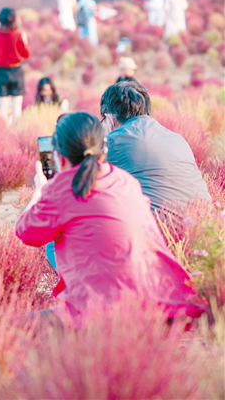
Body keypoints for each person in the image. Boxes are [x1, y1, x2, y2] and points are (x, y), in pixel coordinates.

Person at [15, 112, 201, 324]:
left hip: (100, 315)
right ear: (103, 151)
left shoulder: (62, 187)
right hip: (165, 306)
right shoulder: (125, 180)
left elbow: (25, 231)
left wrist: (40, 190)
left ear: (60, 157)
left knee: (10, 331)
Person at [101, 81, 211, 211]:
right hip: (207, 224)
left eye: (103, 120)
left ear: (109, 118)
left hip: (157, 227)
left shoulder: (113, 141)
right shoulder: (178, 139)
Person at [0, 8, 30, 124]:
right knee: (16, 108)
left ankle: (4, 132)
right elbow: (27, 54)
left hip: (1, 72)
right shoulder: (19, 35)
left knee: (3, 107)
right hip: (16, 71)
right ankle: (17, 131)